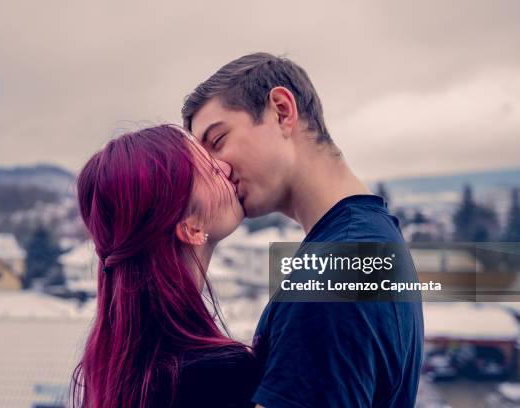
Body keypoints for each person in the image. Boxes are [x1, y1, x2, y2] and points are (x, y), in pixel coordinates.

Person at [182, 52, 424, 407]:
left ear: (281, 110)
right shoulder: (369, 239)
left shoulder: (338, 270)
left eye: (217, 142)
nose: (215, 171)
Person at [70, 124, 260, 408]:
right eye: (211, 170)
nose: (227, 167)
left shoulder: (111, 371)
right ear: (191, 228)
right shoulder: (216, 375)